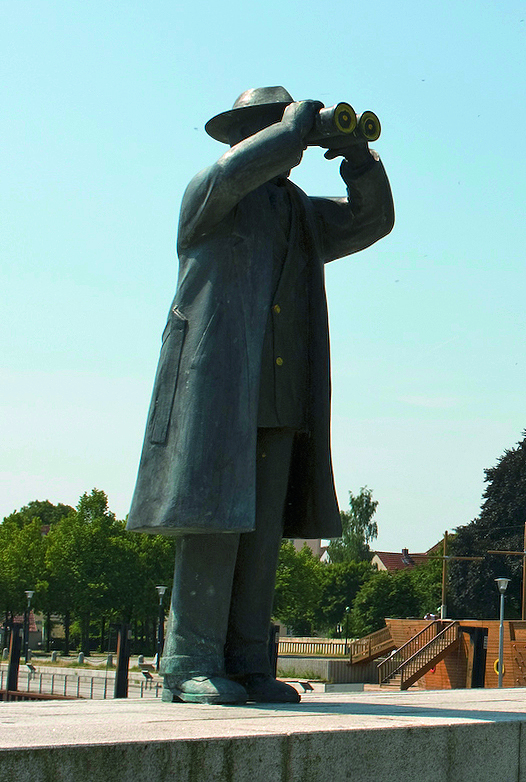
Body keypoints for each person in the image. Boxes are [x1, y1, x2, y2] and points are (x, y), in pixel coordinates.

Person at [126, 87, 395, 704]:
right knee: (213, 521)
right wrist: (292, 130)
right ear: (246, 134)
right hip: (215, 385)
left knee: (263, 531)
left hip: (279, 394)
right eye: (271, 130)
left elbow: (371, 220)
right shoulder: (212, 193)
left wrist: (357, 157)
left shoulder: (296, 210)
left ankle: (248, 662)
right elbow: (232, 174)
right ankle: (187, 662)